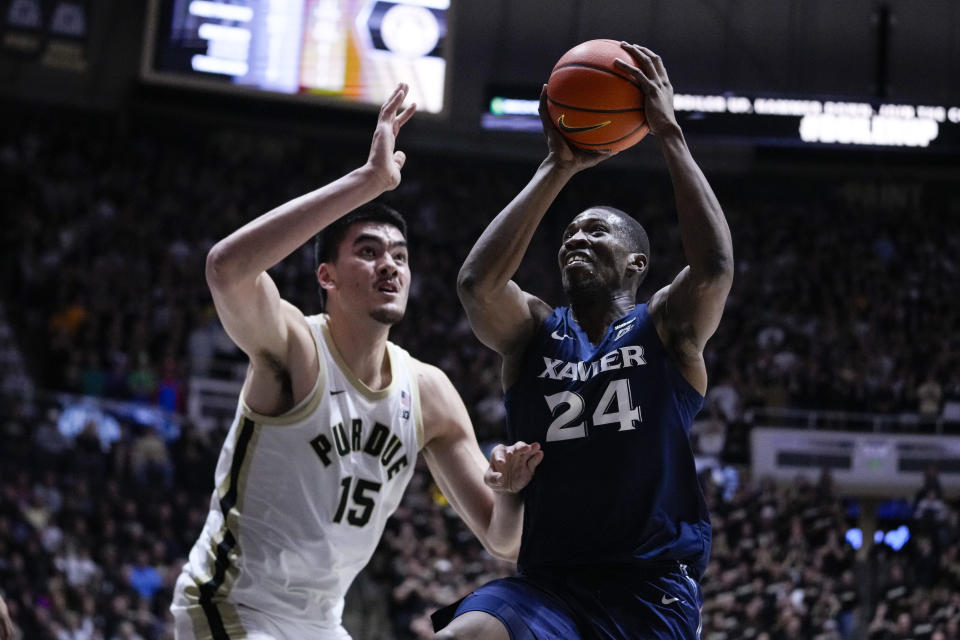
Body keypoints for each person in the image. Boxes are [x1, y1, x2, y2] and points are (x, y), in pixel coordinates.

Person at [171, 84, 543, 640]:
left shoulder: (429, 391)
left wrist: (511, 491)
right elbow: (226, 268)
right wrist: (366, 183)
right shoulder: (296, 348)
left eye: (400, 257)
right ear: (327, 276)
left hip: (322, 623)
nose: (389, 267)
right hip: (233, 608)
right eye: (368, 252)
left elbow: (501, 538)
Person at [434, 43, 733, 639]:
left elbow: (715, 267)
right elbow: (476, 283)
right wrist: (558, 167)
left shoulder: (665, 328)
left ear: (636, 262)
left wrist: (670, 135)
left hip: (649, 589)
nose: (575, 238)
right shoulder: (533, 334)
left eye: (595, 231)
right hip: (548, 582)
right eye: (569, 232)